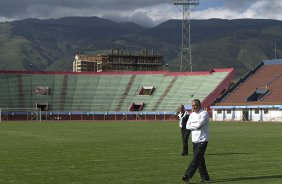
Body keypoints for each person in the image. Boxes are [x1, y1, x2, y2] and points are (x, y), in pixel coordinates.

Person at [182, 99, 210, 183]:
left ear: (199, 105)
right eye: (192, 106)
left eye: (195, 106)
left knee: (196, 158)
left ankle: (187, 175)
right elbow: (187, 126)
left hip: (203, 140)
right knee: (200, 160)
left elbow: (198, 125)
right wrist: (194, 126)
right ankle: (205, 178)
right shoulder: (191, 115)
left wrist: (192, 126)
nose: (193, 107)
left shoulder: (204, 113)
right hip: (194, 140)